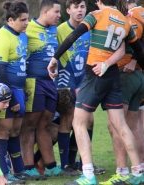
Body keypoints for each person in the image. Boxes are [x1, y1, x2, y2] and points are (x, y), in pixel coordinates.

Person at [47, 0, 144, 184]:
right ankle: (138, 172)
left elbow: (73, 36)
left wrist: (54, 58)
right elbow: (138, 50)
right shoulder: (124, 21)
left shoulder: (96, 15)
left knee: (78, 122)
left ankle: (88, 175)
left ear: (99, 1)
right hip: (114, 75)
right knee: (121, 125)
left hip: (94, 74)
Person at [55, 0, 105, 175]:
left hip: (85, 81)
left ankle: (79, 162)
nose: (80, 10)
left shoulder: (90, 29)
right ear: (68, 10)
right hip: (65, 81)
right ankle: (65, 165)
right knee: (68, 120)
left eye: (83, 7)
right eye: (76, 7)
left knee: (88, 121)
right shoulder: (59, 30)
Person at [0, 1, 29, 183]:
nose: (27, 23)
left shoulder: (22, 34)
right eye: (23, 20)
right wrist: (10, 100)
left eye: (27, 19)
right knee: (3, 130)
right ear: (11, 20)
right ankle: (4, 174)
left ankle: (18, 170)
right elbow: (0, 72)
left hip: (18, 89)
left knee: (15, 130)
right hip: (3, 90)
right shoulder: (1, 38)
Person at [100, 1, 144, 184]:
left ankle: (122, 172)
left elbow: (136, 39)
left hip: (126, 74)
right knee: (134, 127)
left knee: (116, 125)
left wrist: (133, 60)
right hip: (138, 76)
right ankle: (139, 170)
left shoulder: (133, 16)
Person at [19, 0, 63, 179]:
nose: (60, 15)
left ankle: (51, 166)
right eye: (57, 12)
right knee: (28, 125)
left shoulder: (54, 30)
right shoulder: (28, 28)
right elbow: (9, 42)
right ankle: (28, 167)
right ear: (45, 11)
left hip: (50, 83)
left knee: (45, 122)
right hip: (33, 82)